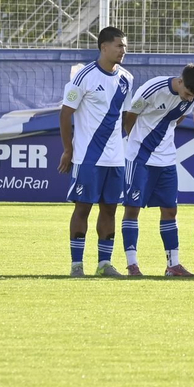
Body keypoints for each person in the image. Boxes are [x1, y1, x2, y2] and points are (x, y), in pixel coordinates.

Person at [57, 27, 134, 276]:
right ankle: (76, 265)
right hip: (87, 158)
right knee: (83, 208)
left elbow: (125, 116)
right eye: (119, 46)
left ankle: (104, 264)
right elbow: (65, 114)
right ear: (104, 47)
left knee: (110, 209)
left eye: (124, 46)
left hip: (115, 158)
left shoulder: (127, 78)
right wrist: (68, 149)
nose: (123, 50)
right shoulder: (84, 77)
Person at [121, 64, 194, 277]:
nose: (189, 98)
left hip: (167, 159)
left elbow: (176, 119)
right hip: (140, 157)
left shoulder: (192, 97)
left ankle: (173, 265)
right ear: (180, 81)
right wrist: (138, 142)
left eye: (193, 96)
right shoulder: (153, 88)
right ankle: (132, 265)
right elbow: (130, 117)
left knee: (170, 210)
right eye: (187, 93)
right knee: (133, 208)